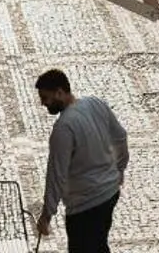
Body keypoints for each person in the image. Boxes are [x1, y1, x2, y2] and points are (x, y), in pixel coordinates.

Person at [33, 69, 128, 251]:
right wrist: (120, 169)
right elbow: (120, 137)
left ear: (59, 92)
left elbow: (56, 176)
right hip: (109, 194)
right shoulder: (95, 103)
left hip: (85, 205)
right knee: (99, 244)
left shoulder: (63, 128)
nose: (43, 103)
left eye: (45, 97)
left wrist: (46, 216)